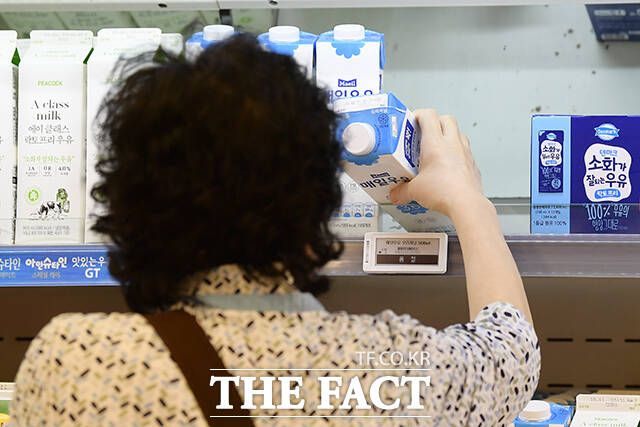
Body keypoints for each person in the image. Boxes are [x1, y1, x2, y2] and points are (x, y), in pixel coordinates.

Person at [11, 34, 539, 426]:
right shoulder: (383, 365)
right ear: (316, 199)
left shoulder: (72, 360)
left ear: (128, 203)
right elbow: (509, 356)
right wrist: (469, 201)